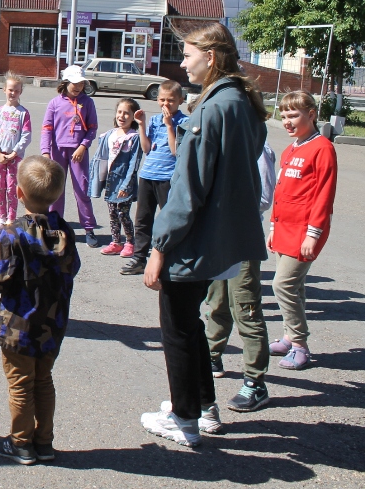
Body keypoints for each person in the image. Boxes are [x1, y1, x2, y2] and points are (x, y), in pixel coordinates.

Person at [140, 22, 268, 448]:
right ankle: (200, 406)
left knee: (177, 326)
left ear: (211, 57)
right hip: (224, 235)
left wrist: (159, 247)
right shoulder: (242, 101)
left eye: (188, 54)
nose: (182, 63)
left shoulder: (211, 108)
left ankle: (185, 419)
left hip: (197, 238)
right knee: (191, 323)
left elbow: (187, 188)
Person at [0, 155, 79, 465]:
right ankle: (44, 441)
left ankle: (21, 443)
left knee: (20, 383)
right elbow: (72, 267)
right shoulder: (65, 232)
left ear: (20, 193)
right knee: (43, 379)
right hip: (52, 324)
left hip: (19, 326)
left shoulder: (12, 234)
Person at [203, 141, 276, 413]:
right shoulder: (221, 144)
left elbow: (264, 197)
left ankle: (256, 382)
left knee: (245, 308)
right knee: (217, 301)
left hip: (242, 239)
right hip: (218, 238)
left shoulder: (257, 149)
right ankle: (212, 355)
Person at [268, 91, 337, 371]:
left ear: (311, 114)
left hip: (304, 232)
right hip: (283, 229)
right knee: (294, 287)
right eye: (283, 116)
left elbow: (324, 195)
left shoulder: (322, 148)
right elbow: (280, 192)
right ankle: (288, 335)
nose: (287, 121)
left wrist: (314, 234)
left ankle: (299, 345)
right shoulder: (291, 149)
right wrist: (273, 227)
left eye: (294, 115)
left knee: (282, 285)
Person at [120, 80, 188, 276]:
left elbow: (176, 151)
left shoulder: (183, 122)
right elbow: (146, 148)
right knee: (143, 218)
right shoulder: (155, 120)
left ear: (180, 101)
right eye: (162, 100)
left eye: (171, 101)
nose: (165, 105)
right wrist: (141, 125)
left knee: (168, 219)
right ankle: (139, 258)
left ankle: (168, 259)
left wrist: (169, 126)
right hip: (148, 174)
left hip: (167, 177)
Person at [40, 65, 98, 248]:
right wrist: (45, 151)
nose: (78, 86)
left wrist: (83, 146)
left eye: (81, 83)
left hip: (78, 153)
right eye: (75, 83)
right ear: (66, 82)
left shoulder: (88, 102)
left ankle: (88, 228)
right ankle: (55, 228)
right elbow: (47, 129)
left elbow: (92, 129)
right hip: (57, 152)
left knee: (82, 190)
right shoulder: (54, 103)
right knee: (56, 192)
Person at [88, 98, 142, 257]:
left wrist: (126, 186)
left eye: (127, 113)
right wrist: (97, 180)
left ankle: (130, 243)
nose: (122, 116)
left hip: (124, 182)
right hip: (111, 182)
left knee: (123, 214)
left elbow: (133, 164)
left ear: (133, 117)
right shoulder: (109, 134)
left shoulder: (133, 137)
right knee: (112, 214)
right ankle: (116, 242)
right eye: (120, 112)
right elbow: (100, 158)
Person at [0, 72, 32, 233]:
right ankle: (2, 218)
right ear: (4, 89)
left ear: (20, 92)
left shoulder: (23, 113)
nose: (13, 93)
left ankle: (11, 219)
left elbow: (26, 135)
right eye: (10, 90)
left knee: (12, 188)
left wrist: (15, 152)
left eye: (17, 91)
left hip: (15, 157)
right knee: (0, 188)